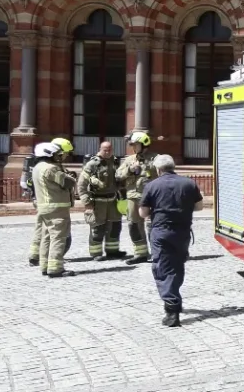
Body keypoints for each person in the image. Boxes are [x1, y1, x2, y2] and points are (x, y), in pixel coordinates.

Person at [139, 155, 203, 327]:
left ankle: (172, 310)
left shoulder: (152, 185)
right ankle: (175, 299)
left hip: (161, 232)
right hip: (183, 232)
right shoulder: (189, 183)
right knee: (177, 266)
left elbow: (143, 213)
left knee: (163, 268)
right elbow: (199, 206)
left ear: (158, 169)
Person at [33, 138, 78, 278]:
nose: (59, 157)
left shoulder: (37, 167)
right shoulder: (50, 168)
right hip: (56, 207)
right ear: (49, 154)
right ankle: (55, 268)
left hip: (44, 207)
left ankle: (45, 265)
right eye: (57, 154)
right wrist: (71, 177)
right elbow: (68, 182)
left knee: (47, 237)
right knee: (58, 237)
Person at [77, 140, 126, 261]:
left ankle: (113, 251)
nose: (108, 152)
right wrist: (86, 202)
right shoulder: (92, 164)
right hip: (98, 202)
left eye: (110, 150)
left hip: (113, 200)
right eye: (105, 150)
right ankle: (96, 253)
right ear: (100, 149)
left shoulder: (116, 162)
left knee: (115, 226)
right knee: (98, 228)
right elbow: (81, 185)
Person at [116, 131, 157, 265]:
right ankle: (140, 253)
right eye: (132, 145)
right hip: (133, 197)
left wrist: (148, 167)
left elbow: (165, 172)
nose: (133, 147)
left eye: (136, 144)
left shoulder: (155, 158)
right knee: (133, 225)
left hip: (151, 198)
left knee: (153, 225)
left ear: (144, 144)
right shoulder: (129, 160)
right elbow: (118, 175)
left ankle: (158, 253)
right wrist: (130, 170)